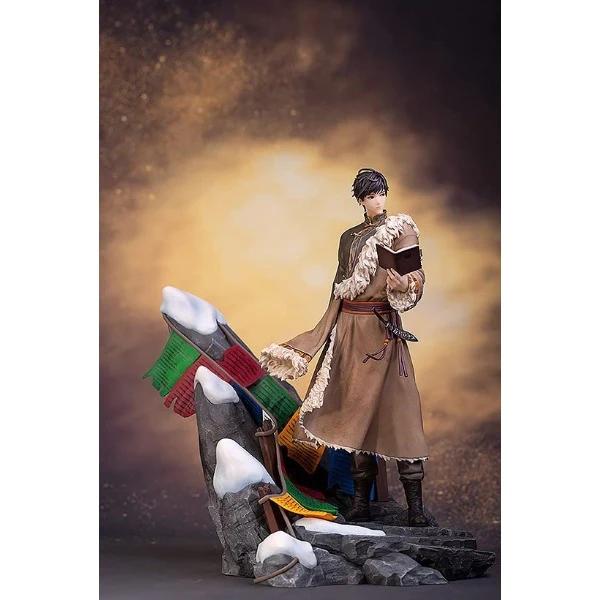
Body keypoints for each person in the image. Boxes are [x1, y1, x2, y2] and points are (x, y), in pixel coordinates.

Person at [259, 168, 429, 526]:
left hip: (382, 334)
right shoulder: (349, 237)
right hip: (349, 334)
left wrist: (404, 285)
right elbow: (338, 287)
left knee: (400, 415)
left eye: (381, 193)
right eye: (370, 196)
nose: (377, 201)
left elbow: (416, 276)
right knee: (354, 416)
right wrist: (323, 332)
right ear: (361, 200)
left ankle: (416, 509)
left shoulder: (401, 229)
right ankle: (360, 503)